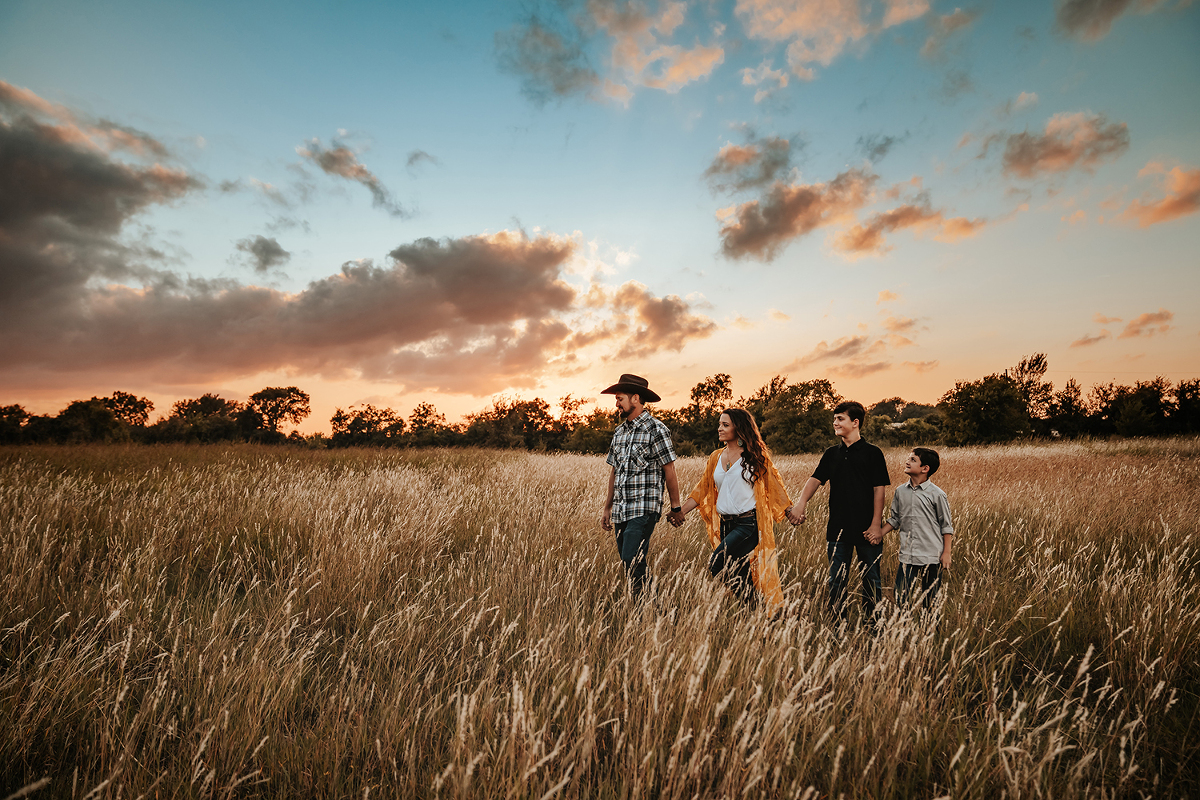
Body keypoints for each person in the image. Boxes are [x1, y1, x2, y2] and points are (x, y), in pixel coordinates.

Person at [674, 408, 801, 611]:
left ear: (738, 428)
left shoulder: (755, 457)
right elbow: (702, 489)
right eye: (719, 424)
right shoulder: (716, 457)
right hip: (727, 524)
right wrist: (680, 512)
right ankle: (754, 612)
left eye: (725, 425)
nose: (720, 428)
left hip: (748, 523)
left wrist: (790, 511)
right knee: (739, 570)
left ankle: (755, 605)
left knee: (717, 563)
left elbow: (774, 487)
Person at [794, 401, 891, 627]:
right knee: (837, 580)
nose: (835, 423)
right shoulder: (831, 454)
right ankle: (837, 623)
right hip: (837, 528)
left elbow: (880, 490)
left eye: (840, 419)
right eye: (835, 418)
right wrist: (801, 503)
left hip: (867, 529)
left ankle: (873, 623)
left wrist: (876, 524)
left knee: (871, 580)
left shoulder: (873, 453)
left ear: (855, 422)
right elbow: (815, 479)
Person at [600, 374, 682, 601]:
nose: (616, 404)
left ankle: (656, 605)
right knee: (630, 564)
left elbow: (670, 470)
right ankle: (644, 608)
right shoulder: (619, 433)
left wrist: (676, 507)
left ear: (635, 398)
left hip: (645, 507)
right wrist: (607, 508)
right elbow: (614, 471)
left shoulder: (656, 429)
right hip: (621, 508)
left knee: (630, 557)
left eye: (620, 399)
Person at [877, 447, 953, 612]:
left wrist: (946, 553)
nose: (907, 461)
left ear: (925, 469)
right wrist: (879, 534)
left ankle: (931, 632)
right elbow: (895, 519)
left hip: (932, 556)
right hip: (908, 555)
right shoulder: (900, 491)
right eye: (908, 458)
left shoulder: (937, 495)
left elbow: (946, 526)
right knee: (901, 597)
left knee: (931, 601)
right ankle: (904, 630)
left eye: (913, 460)